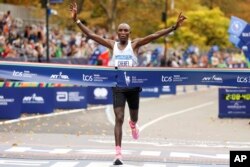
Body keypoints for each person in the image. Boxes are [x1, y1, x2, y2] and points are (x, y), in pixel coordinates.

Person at [70, 1, 186, 165]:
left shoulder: (135, 44)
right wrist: (77, 20)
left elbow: (155, 35)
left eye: (126, 30)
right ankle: (118, 154)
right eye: (120, 30)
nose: (123, 32)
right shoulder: (112, 45)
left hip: (133, 86)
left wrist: (173, 27)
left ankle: (133, 124)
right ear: (117, 33)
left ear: (130, 33)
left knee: (133, 117)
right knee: (119, 118)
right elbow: (93, 35)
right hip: (118, 86)